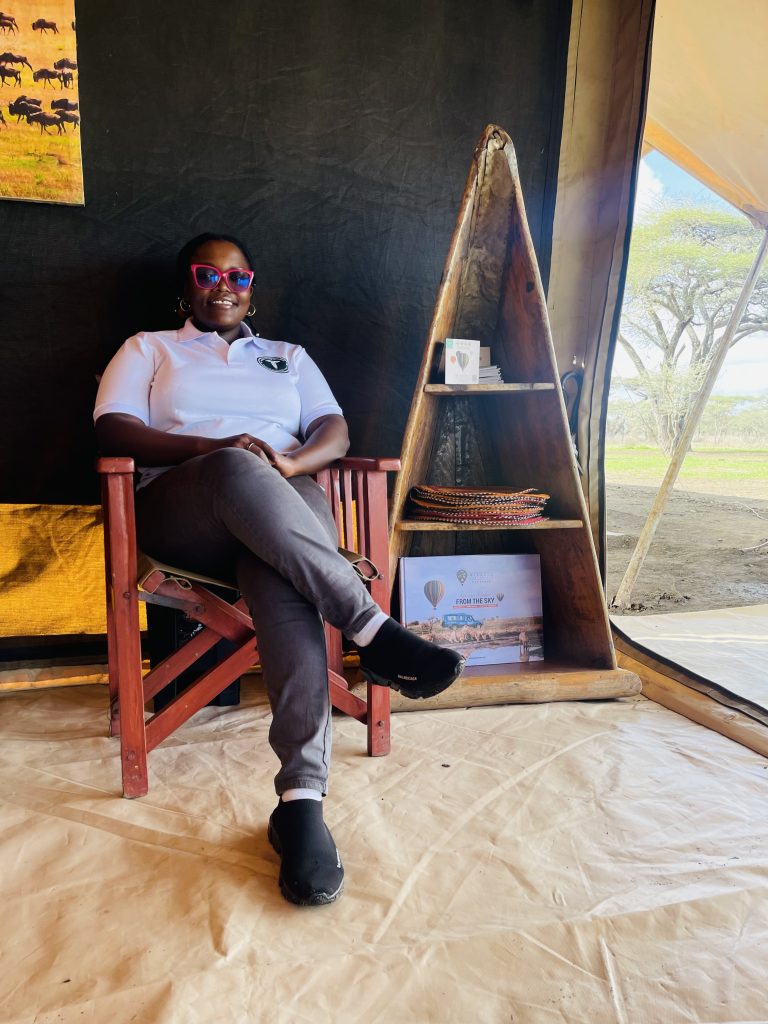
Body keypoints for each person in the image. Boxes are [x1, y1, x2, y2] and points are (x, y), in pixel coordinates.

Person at [94, 233, 465, 907]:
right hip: (186, 506)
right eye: (208, 274)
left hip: (285, 507)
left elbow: (334, 431)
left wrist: (290, 464)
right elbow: (113, 427)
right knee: (238, 467)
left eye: (238, 276)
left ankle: (300, 804)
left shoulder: (288, 356)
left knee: (280, 574)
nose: (224, 286)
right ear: (186, 286)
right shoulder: (149, 348)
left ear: (251, 288)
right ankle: (371, 628)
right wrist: (213, 447)